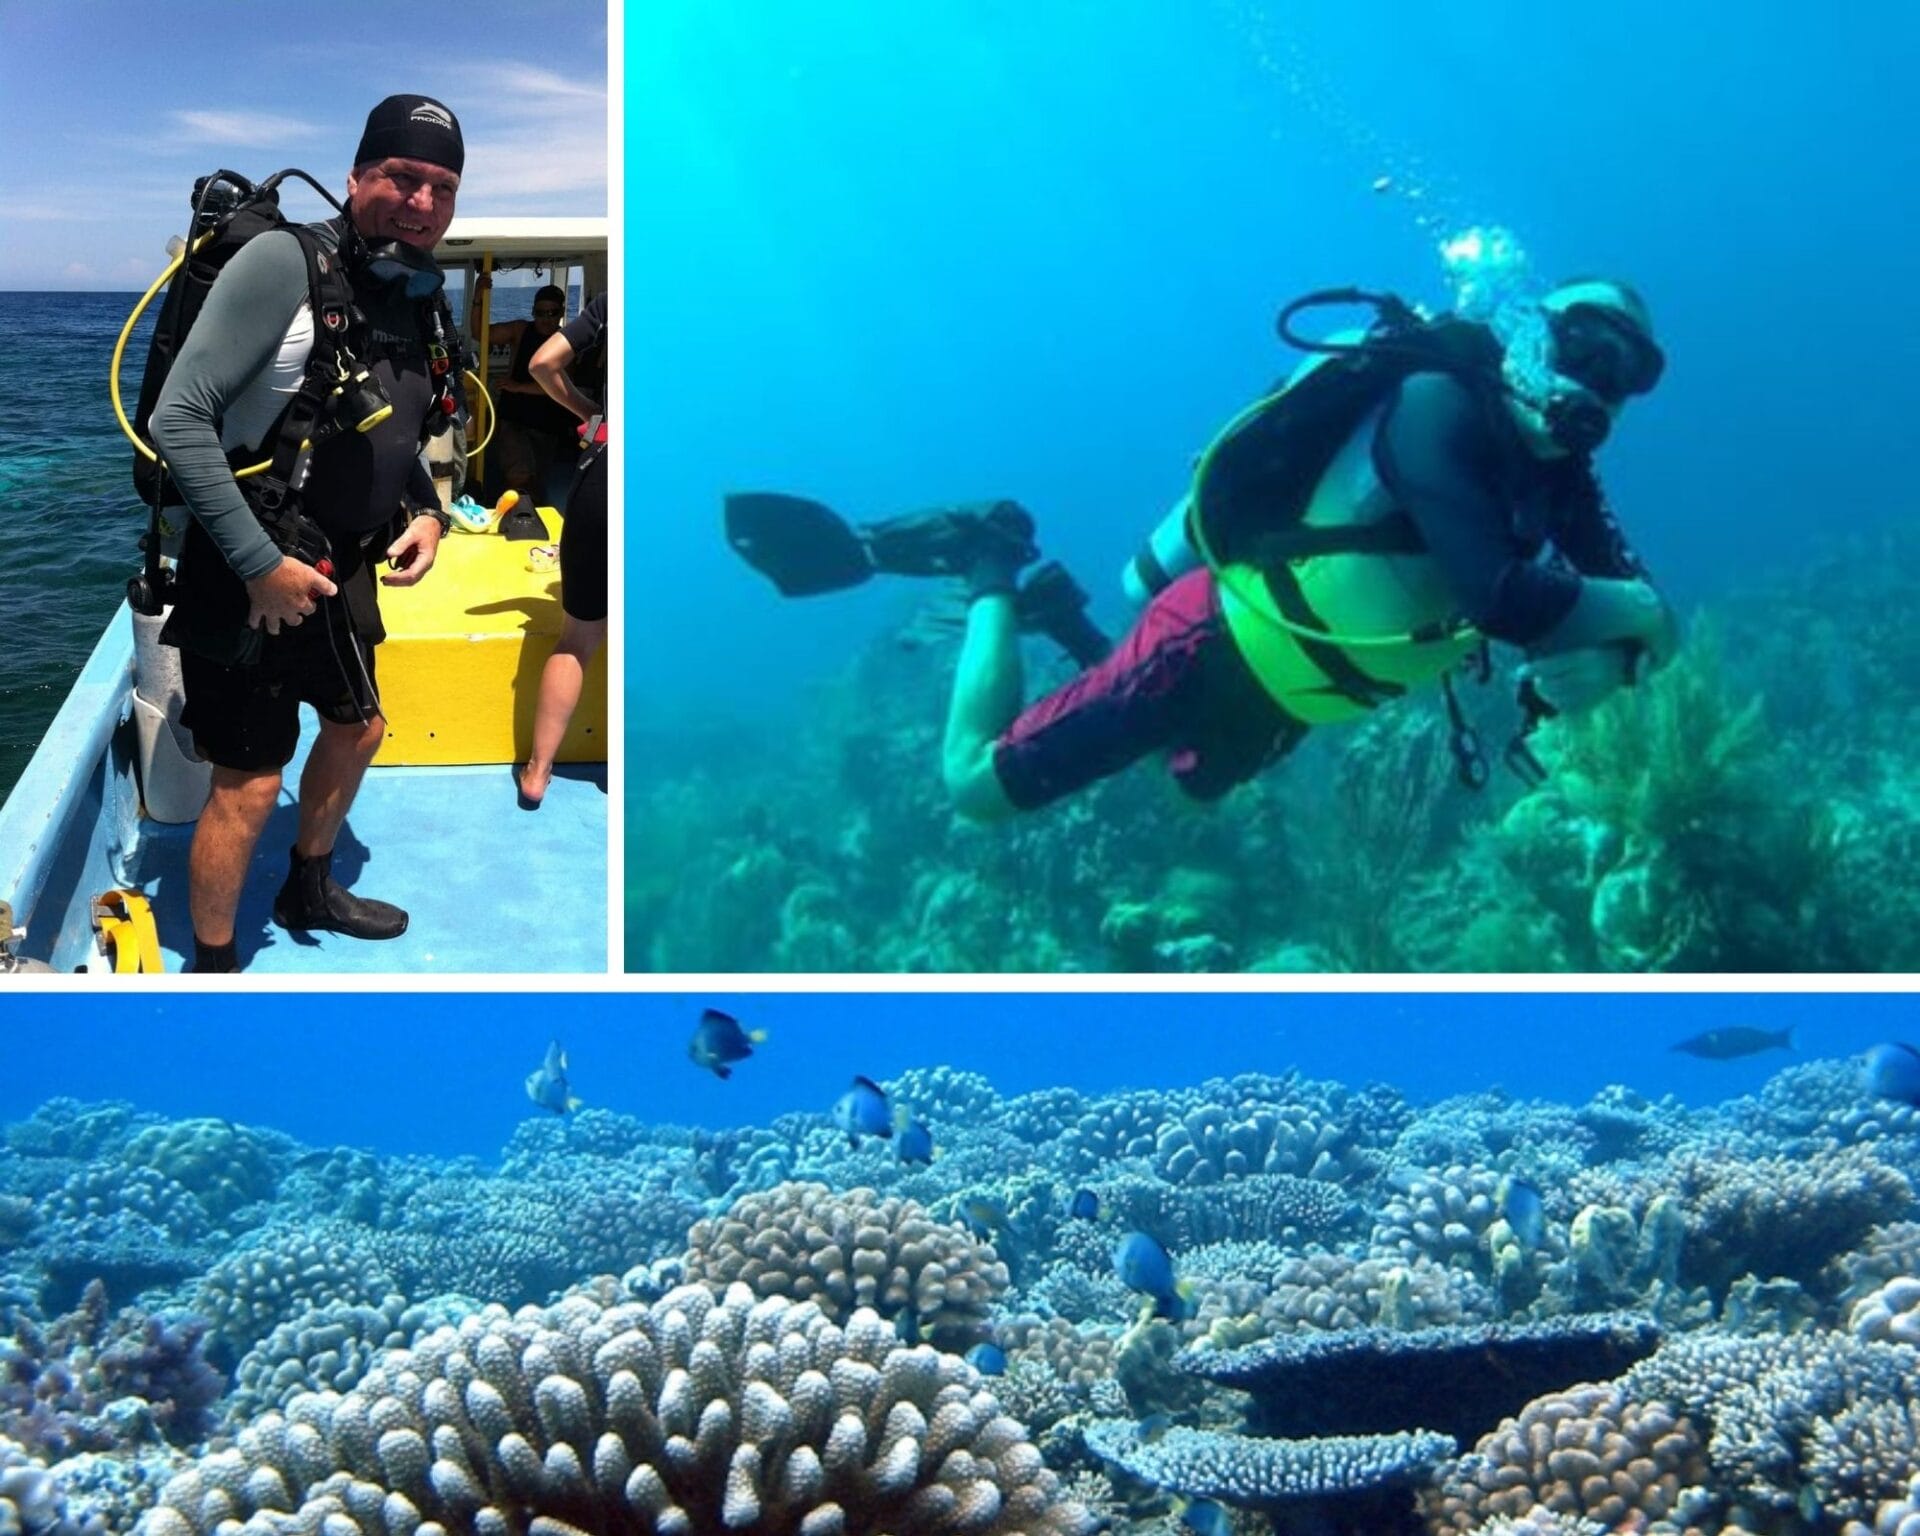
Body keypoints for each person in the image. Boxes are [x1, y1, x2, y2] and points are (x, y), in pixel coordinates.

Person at [729, 277, 1680, 822]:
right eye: (1582, 347)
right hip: (1215, 640)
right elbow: (1508, 602)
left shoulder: (1558, 474)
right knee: (976, 788)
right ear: (1526, 336)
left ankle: (1061, 616)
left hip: (1303, 686)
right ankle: (988, 560)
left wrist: (1634, 625)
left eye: (1626, 373)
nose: (1598, 382)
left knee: (1181, 777)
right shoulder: (1440, 409)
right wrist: (1637, 616)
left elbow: (1628, 599)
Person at [149, 93, 466, 971]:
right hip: (251, 565)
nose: (422, 201)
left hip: (339, 569)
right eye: (403, 176)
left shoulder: (411, 293)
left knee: (357, 725)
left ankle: (310, 886)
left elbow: (392, 419)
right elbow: (180, 419)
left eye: (443, 186)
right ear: (359, 173)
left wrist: (430, 512)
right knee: (248, 784)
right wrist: (257, 567)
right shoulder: (283, 263)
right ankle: (215, 968)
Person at [515, 289, 608, 808]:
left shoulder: (613, 301)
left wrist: (591, 411)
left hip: (606, 467)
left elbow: (542, 362)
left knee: (577, 639)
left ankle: (537, 771)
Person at [488, 284, 586, 499]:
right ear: (533, 312)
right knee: (518, 476)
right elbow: (480, 332)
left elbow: (563, 383)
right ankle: (516, 518)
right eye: (541, 313)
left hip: (546, 425)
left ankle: (534, 518)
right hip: (514, 418)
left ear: (561, 313)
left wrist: (518, 386)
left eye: (552, 313)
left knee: (537, 479)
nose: (546, 318)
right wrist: (479, 294)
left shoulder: (566, 343)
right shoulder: (520, 330)